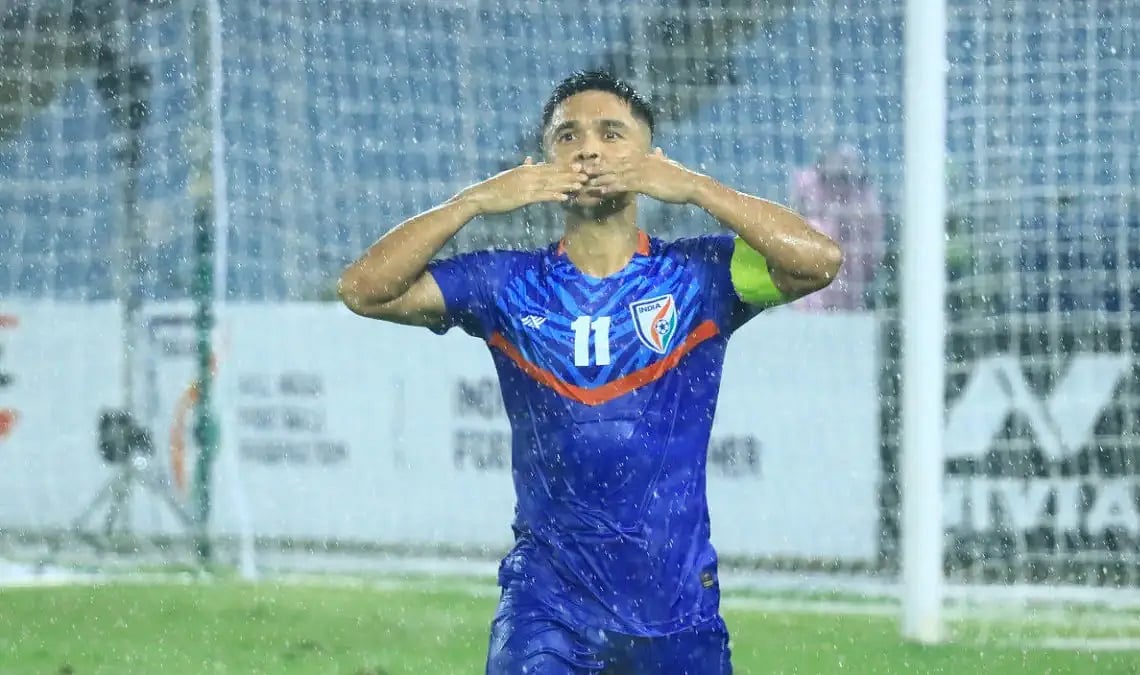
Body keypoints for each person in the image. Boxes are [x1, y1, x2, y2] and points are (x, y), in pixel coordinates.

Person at [338, 70, 843, 674]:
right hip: (546, 608)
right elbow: (365, 289)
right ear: (545, 162)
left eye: (611, 133)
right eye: (567, 136)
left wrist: (696, 188)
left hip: (675, 610)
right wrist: (472, 202)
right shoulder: (506, 283)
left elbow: (819, 261)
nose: (588, 149)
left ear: (649, 159)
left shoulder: (700, 276)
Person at [788, 144, 885, 312]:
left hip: (849, 291)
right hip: (813, 294)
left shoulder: (865, 202)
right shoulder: (809, 189)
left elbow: (873, 252)